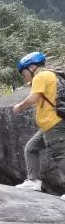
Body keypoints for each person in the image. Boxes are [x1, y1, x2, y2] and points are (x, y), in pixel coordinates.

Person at [13, 51, 65, 194]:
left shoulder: (41, 76)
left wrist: (19, 106)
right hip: (50, 124)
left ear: (31, 67)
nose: (24, 76)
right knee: (30, 148)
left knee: (61, 156)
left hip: (54, 122)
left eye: (23, 72)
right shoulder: (52, 74)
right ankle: (33, 181)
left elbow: (34, 97)